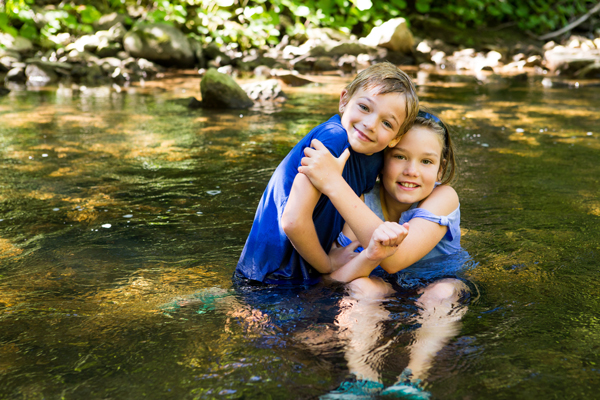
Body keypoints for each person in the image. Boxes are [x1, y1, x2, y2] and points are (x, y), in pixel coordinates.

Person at [298, 110, 472, 398]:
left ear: (440, 171)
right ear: (381, 161)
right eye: (400, 157)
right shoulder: (364, 201)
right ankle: (363, 380)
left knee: (445, 291)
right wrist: (356, 264)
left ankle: (412, 380)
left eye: (426, 161)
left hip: (437, 284)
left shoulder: (443, 198)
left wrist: (333, 184)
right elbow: (334, 277)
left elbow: (393, 259)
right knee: (360, 284)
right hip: (381, 290)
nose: (411, 171)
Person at [235, 62, 419, 285]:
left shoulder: (374, 157)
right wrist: (327, 264)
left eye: (387, 123)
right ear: (344, 100)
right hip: (267, 277)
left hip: (303, 278)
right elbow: (292, 220)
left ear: (396, 138)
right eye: (364, 107)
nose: (370, 124)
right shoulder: (333, 138)